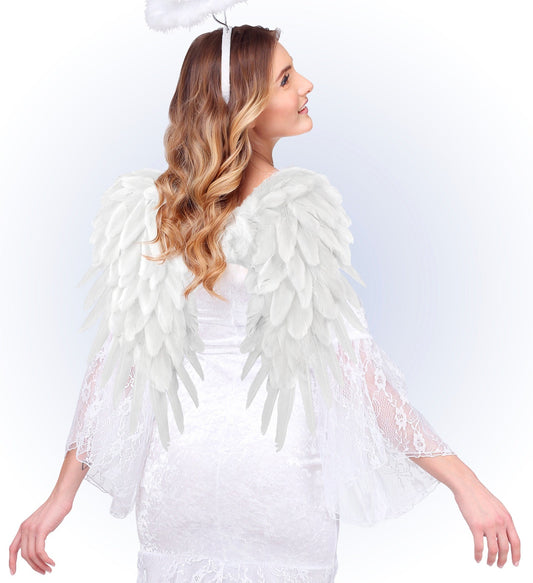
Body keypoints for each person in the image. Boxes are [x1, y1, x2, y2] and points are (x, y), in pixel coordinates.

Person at [9, 24, 521, 581]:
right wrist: (467, 484)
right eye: (284, 79)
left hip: (179, 483)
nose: (306, 84)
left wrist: (61, 496)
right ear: (244, 110)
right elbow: (358, 373)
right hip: (281, 483)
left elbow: (117, 365)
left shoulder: (159, 212)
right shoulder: (295, 212)